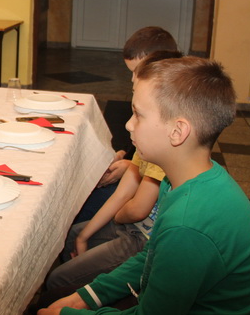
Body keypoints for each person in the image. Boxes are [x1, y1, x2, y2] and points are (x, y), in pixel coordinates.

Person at [24, 57, 250, 315]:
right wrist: (85, 297)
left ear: (178, 131)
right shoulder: (183, 180)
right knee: (54, 299)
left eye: (138, 114)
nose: (128, 124)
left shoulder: (188, 224)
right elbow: (150, 257)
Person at [43, 51, 182, 295]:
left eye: (138, 114)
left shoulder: (158, 152)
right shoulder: (145, 145)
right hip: (131, 225)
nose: (128, 124)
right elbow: (124, 193)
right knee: (74, 235)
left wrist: (115, 218)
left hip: (141, 237)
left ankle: (78, 301)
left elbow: (136, 209)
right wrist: (85, 236)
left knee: (58, 279)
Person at [74, 26, 178, 223]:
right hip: (139, 177)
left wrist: (131, 168)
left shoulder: (169, 116)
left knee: (81, 202)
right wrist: (125, 156)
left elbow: (158, 177)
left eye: (138, 71)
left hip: (147, 200)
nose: (132, 79)